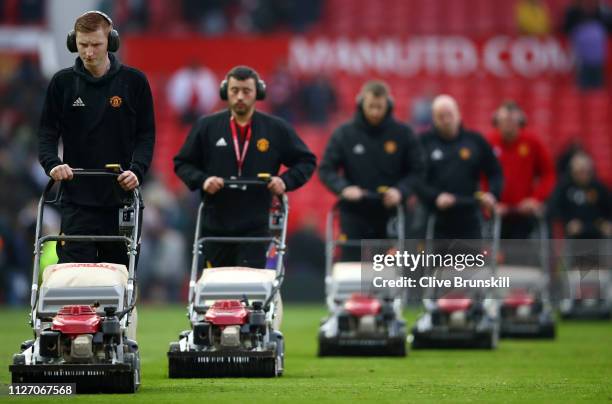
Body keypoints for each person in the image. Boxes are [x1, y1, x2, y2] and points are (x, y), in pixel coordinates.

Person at [38, 10, 155, 266]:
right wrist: (52, 164)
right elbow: (47, 133)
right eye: (83, 45)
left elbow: (146, 135)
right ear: (73, 43)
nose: (89, 52)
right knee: (75, 273)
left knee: (120, 277)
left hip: (121, 199)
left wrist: (137, 170)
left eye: (96, 45)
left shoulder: (134, 82)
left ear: (111, 42)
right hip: (76, 199)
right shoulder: (62, 83)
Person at [174, 65, 316, 268]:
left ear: (258, 92)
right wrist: (203, 180)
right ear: (225, 92)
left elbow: (306, 161)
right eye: (234, 90)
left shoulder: (276, 128)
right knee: (216, 291)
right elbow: (182, 163)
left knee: (249, 290)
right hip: (215, 226)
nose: (240, 96)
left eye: (246, 91)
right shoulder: (206, 126)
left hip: (256, 227)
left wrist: (284, 181)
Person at [319, 80, 424, 260]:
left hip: (392, 211)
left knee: (391, 271)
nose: (375, 112)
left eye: (379, 107)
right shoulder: (344, 133)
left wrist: (401, 191)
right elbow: (326, 169)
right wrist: (344, 188)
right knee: (351, 266)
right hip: (354, 212)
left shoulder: (403, 133)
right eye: (371, 106)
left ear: (388, 105)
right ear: (361, 104)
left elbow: (419, 170)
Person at [417, 95, 503, 239]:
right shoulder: (423, 142)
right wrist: (434, 197)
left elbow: (495, 172)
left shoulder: (475, 140)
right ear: (433, 118)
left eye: (449, 115)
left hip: (469, 215)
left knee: (470, 260)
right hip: (434, 216)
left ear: (458, 114)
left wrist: (492, 194)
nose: (446, 120)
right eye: (440, 116)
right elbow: (415, 179)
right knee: (434, 261)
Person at [486, 101, 556, 238]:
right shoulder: (488, 142)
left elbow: (548, 174)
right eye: (505, 120)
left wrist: (536, 199)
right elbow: (481, 176)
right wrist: (489, 202)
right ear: (497, 121)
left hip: (525, 212)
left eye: (512, 120)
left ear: (520, 121)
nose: (508, 124)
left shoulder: (533, 142)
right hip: (496, 212)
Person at [549, 152, 612, 239]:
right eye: (580, 172)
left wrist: (607, 223)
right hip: (573, 235)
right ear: (572, 171)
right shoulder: (564, 188)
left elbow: (608, 208)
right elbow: (554, 209)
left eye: (587, 172)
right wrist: (567, 222)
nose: (584, 175)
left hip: (597, 232)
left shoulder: (599, 187)